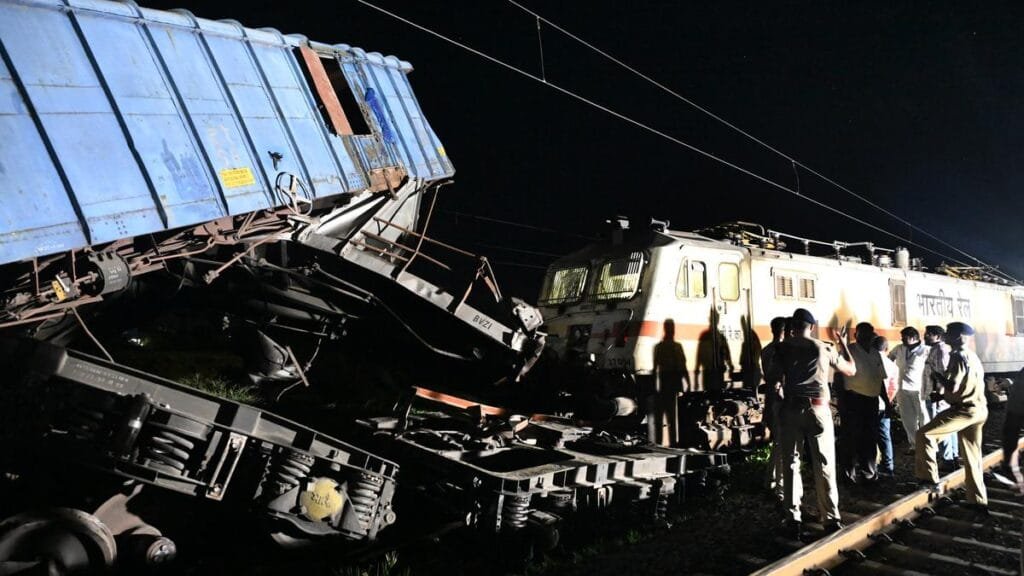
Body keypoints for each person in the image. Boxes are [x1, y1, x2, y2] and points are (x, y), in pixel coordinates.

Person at [770, 308, 856, 539]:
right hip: (818, 409)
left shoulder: (782, 348)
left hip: (791, 408)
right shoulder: (823, 347)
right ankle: (830, 518)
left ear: (793, 326)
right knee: (824, 463)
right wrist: (843, 344)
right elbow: (851, 369)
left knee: (790, 464)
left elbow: (774, 379)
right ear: (812, 326)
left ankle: (792, 518)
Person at [915, 322, 988, 512]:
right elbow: (966, 384)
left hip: (963, 410)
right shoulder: (973, 356)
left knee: (925, 435)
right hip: (979, 409)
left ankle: (929, 481)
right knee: (972, 457)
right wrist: (942, 396)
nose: (945, 335)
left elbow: (953, 385)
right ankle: (977, 501)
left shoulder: (957, 356)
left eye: (949, 333)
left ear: (958, 336)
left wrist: (937, 376)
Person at [838, 322, 886, 483]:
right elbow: (839, 376)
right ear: (855, 335)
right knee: (851, 439)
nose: (866, 336)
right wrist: (841, 401)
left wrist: (886, 401)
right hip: (853, 400)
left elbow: (881, 379)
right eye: (862, 333)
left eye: (869, 333)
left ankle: (869, 474)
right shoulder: (849, 350)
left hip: (871, 401)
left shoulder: (875, 353)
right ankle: (848, 476)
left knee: (870, 438)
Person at [889, 327, 932, 453]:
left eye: (904, 337)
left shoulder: (926, 350)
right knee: (908, 418)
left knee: (924, 416)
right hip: (902, 388)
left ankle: (927, 444)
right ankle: (914, 444)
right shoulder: (899, 348)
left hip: (920, 389)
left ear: (913, 338)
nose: (901, 339)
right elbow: (889, 358)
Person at [761, 316, 789, 503]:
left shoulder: (765, 351)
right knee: (782, 443)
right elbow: (778, 380)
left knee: (778, 443)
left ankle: (771, 481)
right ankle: (778, 485)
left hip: (772, 400)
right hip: (781, 400)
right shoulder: (781, 351)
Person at [924, 325, 958, 466]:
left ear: (937, 336)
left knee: (941, 426)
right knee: (948, 426)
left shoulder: (939, 350)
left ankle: (947, 459)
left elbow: (943, 374)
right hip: (938, 395)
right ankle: (952, 455)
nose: (925, 336)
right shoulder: (937, 349)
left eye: (928, 334)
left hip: (937, 396)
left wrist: (940, 394)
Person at [652, 319, 688, 446]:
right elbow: (682, 365)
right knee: (672, 416)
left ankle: (659, 442)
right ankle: (674, 442)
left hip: (662, 382)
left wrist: (655, 385)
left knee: (659, 416)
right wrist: (685, 383)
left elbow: (655, 367)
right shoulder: (676, 346)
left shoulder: (658, 347)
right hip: (672, 381)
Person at [874, 335, 898, 479]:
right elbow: (893, 387)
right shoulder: (892, 366)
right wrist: (888, 401)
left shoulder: (869, 363)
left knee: (870, 435)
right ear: (886, 349)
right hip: (883, 405)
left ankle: (873, 464)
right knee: (885, 436)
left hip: (868, 404)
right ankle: (888, 466)